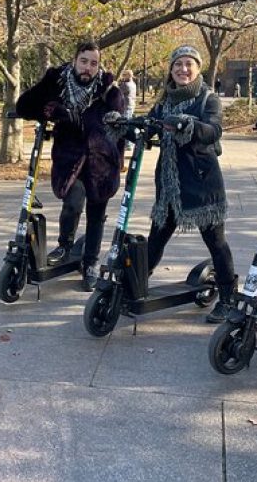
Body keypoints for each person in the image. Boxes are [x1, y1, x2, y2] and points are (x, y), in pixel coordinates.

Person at [139, 46, 237, 323]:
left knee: (216, 242)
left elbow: (213, 131)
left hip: (202, 182)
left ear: (198, 68)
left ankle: (229, 297)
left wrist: (187, 124)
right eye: (178, 64)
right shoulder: (163, 102)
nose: (183, 69)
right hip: (170, 185)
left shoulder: (208, 99)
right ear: (170, 69)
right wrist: (131, 126)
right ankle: (136, 285)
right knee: (156, 238)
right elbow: (151, 127)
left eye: (188, 64)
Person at [15, 41, 124, 290]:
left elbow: (116, 127)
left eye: (93, 63)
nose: (88, 68)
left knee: (96, 214)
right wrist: (51, 111)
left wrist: (117, 161)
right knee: (73, 204)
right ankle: (65, 244)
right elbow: (24, 107)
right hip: (69, 158)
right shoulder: (58, 82)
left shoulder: (109, 91)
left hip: (101, 162)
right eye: (84, 61)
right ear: (74, 60)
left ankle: (91, 262)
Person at [117, 69, 137, 170]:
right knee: (128, 123)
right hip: (131, 105)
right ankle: (129, 144)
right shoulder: (133, 84)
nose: (123, 77)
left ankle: (128, 144)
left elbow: (118, 91)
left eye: (124, 75)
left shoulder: (126, 85)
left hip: (126, 106)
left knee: (125, 125)